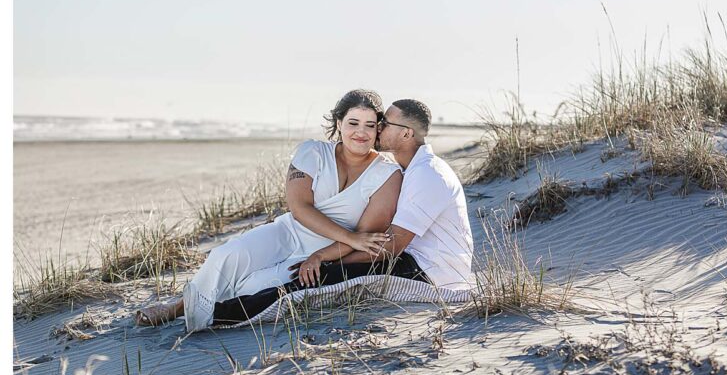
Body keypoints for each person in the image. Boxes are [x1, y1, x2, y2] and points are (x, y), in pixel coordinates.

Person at [136, 89, 402, 331]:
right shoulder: (312, 152)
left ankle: (203, 313)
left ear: (379, 128)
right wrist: (352, 238)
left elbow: (365, 237)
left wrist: (321, 256)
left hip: (329, 250)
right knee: (227, 255)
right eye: (353, 123)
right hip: (289, 231)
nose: (361, 133)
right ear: (338, 123)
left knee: (254, 286)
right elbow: (300, 208)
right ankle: (177, 308)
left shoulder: (387, 174)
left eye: (370, 125)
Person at [201, 98, 475, 326]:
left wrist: (327, 260)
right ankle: (210, 307)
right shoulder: (412, 169)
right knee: (313, 274)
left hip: (427, 271)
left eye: (383, 124)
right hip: (410, 259)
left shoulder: (427, 174)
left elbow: (390, 247)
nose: (377, 129)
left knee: (315, 281)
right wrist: (327, 256)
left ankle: (222, 317)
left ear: (406, 133)